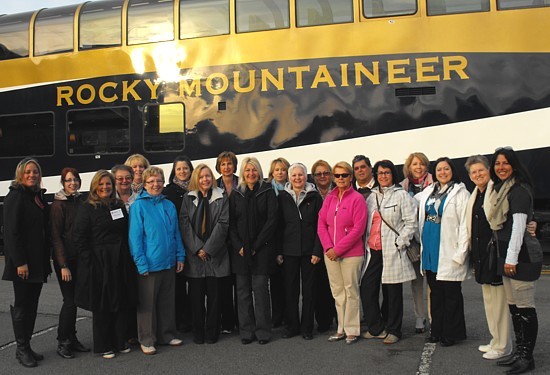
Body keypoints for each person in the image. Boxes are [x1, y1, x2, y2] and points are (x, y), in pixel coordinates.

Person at [487, 147, 542, 374]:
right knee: (514, 308)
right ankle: (519, 352)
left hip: (521, 258)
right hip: (507, 256)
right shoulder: (500, 189)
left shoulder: (518, 190)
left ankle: (527, 358)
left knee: (525, 308)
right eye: (497, 163)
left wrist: (511, 260)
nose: (501, 167)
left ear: (514, 165)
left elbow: (519, 228)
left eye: (505, 163)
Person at [73, 170, 138, 359]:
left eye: (108, 184)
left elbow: (125, 231)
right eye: (101, 184)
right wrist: (90, 261)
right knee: (103, 305)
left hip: (119, 260)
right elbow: (79, 238)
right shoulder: (87, 208)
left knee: (120, 301)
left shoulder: (118, 205)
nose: (105, 187)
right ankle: (103, 345)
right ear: (94, 186)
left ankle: (119, 341)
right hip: (98, 262)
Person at [128, 167, 185, 355]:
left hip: (168, 262)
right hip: (149, 265)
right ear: (144, 184)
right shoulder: (139, 206)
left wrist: (180, 255)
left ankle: (167, 335)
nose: (156, 184)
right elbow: (135, 238)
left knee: (166, 302)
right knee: (147, 305)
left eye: (159, 180)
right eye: (151, 181)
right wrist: (141, 263)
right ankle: (146, 338)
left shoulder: (168, 205)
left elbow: (176, 233)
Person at [362, 160, 417, 345]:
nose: (383, 176)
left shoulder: (401, 196)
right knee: (367, 288)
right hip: (374, 250)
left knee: (392, 291)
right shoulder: (372, 197)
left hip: (392, 249)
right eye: (379, 173)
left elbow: (411, 222)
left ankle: (394, 330)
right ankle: (376, 327)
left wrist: (400, 241)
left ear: (393, 174)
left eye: (386, 172)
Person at [2, 158, 51, 367]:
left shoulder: (36, 197)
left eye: (35, 172)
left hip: (37, 262)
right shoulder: (16, 196)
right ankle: (21, 349)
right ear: (20, 174)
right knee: (22, 306)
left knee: (32, 305)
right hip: (23, 264)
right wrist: (20, 262)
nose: (32, 175)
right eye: (28, 172)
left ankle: (27, 346)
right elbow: (11, 233)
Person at [417, 157, 470, 347]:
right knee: (436, 294)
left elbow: (466, 225)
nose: (442, 172)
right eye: (439, 170)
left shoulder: (461, 194)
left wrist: (461, 252)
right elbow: (411, 202)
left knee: (452, 295)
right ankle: (437, 330)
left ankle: (452, 333)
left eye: (446, 169)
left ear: (452, 171)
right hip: (431, 250)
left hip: (449, 251)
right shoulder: (429, 191)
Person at [464, 155, 512, 360]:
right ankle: (495, 340)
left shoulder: (497, 191)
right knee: (489, 301)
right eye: (473, 172)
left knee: (500, 302)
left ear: (488, 170)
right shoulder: (476, 194)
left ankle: (503, 346)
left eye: (481, 170)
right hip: (481, 255)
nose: (477, 175)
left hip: (495, 254)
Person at [229, 157, 278, 345]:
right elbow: (231, 224)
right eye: (247, 170)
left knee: (260, 290)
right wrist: (240, 247)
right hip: (240, 251)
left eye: (254, 170)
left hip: (261, 250)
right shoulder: (236, 194)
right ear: (243, 173)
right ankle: (246, 331)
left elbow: (272, 221)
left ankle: (263, 331)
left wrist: (255, 246)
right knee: (242, 292)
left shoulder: (267, 191)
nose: (251, 174)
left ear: (259, 172)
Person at [317, 161, 367, 345]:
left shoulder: (357, 199)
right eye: (337, 175)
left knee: (351, 290)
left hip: (351, 254)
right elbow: (321, 224)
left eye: (344, 175)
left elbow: (358, 229)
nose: (340, 179)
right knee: (337, 292)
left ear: (350, 177)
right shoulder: (329, 198)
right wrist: (329, 248)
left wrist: (338, 249)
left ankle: (352, 329)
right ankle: (341, 328)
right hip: (330, 253)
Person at [180, 164, 229, 344]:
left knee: (215, 299)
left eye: (208, 176)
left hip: (216, 255)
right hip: (195, 257)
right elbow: (184, 224)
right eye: (201, 177)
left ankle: (212, 332)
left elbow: (223, 224)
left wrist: (207, 249)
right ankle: (198, 332)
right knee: (196, 299)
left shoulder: (221, 196)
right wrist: (197, 248)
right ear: (196, 179)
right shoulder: (188, 197)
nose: (205, 179)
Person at [278, 163, 323, 340]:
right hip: (288, 251)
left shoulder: (315, 197)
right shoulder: (281, 197)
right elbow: (278, 226)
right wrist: (279, 251)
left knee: (309, 291)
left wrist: (317, 251)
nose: (297, 178)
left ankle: (307, 327)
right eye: (294, 175)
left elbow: (321, 226)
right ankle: (292, 326)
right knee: (290, 290)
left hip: (309, 251)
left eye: (301, 175)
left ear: (306, 176)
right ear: (289, 178)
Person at [50, 167, 90, 359]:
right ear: (63, 183)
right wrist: (63, 265)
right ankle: (63, 341)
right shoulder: (59, 205)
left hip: (79, 259)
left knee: (74, 300)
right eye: (68, 180)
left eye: (75, 179)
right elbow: (56, 237)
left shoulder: (80, 201)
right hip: (65, 261)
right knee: (70, 301)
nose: (72, 183)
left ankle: (72, 338)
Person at [401, 152, 434, 334]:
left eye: (421, 164)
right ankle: (419, 317)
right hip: (413, 243)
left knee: (433, 283)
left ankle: (433, 316)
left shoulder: (435, 185)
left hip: (430, 240)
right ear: (409, 166)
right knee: (416, 283)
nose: (418, 167)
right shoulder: (403, 187)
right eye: (415, 164)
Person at [163, 155, 194, 333]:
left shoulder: (198, 188)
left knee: (197, 285)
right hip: (177, 243)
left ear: (191, 170)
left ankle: (197, 317)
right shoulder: (167, 192)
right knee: (178, 286)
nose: (182, 171)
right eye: (179, 169)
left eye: (185, 168)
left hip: (196, 243)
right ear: (174, 172)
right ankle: (181, 321)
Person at [310, 160, 336, 332]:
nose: (322, 176)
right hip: (318, 246)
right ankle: (324, 321)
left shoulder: (339, 191)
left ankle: (342, 319)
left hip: (338, 245)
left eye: (326, 173)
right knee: (321, 286)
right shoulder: (311, 195)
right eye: (318, 174)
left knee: (339, 285)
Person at [215, 151, 239, 334]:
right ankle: (227, 321)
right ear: (219, 167)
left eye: (229, 163)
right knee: (223, 283)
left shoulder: (243, 183)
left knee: (240, 282)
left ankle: (242, 319)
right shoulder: (214, 185)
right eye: (223, 164)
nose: (226, 167)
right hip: (221, 240)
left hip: (238, 238)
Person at [267, 157, 290, 328]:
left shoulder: (292, 190)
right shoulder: (268, 190)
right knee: (275, 284)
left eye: (283, 169)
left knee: (288, 283)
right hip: (272, 242)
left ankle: (289, 315)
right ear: (272, 173)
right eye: (277, 170)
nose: (280, 172)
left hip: (288, 241)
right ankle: (277, 316)